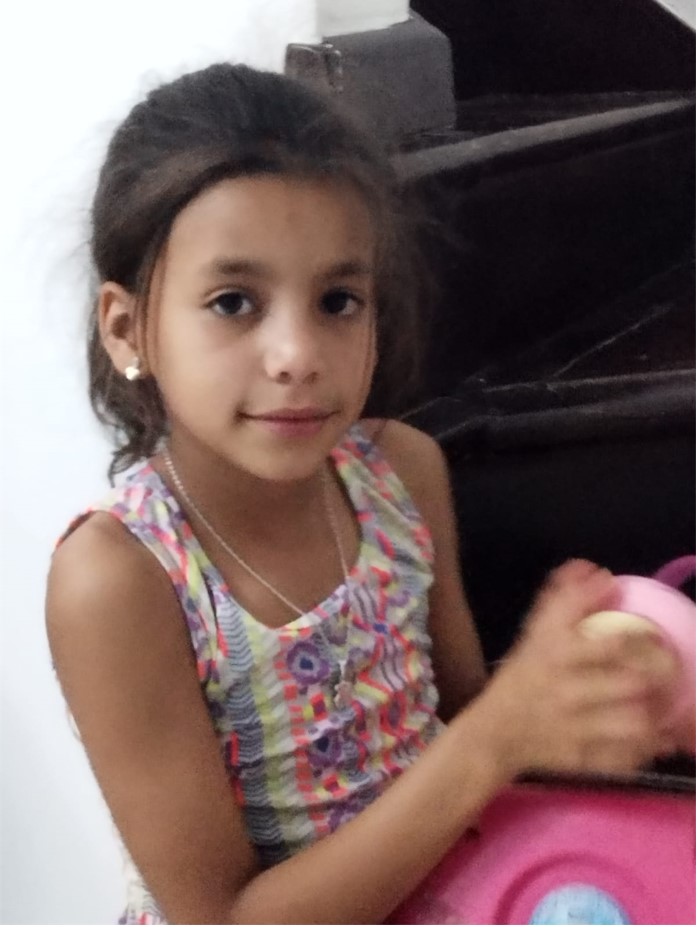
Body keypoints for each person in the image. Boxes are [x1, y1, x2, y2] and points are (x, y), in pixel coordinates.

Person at [46, 63, 677, 925]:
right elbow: (222, 917)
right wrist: (497, 735)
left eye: (338, 300)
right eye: (233, 302)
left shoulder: (399, 474)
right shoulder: (119, 580)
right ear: (128, 330)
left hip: (453, 886)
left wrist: (575, 697)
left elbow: (455, 714)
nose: (298, 354)